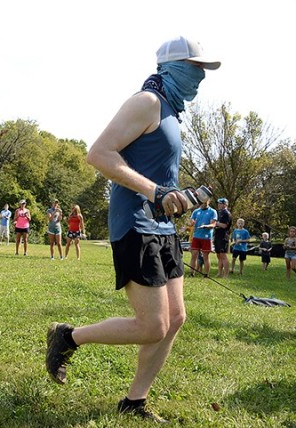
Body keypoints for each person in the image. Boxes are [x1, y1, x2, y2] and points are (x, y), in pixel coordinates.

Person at [46, 36, 220, 422]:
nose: (201, 78)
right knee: (152, 325)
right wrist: (155, 191)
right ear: (171, 67)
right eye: (196, 69)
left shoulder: (173, 110)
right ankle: (68, 336)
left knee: (175, 319)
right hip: (135, 225)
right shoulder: (147, 102)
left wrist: (175, 195)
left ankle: (134, 401)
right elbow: (98, 154)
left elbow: (153, 170)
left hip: (161, 226)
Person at [189, 199, 217, 276]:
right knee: (194, 255)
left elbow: (213, 224)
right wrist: (192, 222)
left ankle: (206, 274)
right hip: (196, 236)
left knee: (205, 256)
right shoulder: (196, 211)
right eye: (201, 202)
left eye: (205, 202)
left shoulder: (213, 211)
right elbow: (191, 222)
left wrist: (206, 226)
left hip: (206, 237)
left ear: (209, 201)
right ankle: (192, 272)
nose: (203, 204)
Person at [214, 198, 233, 278]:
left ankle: (226, 274)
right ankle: (219, 273)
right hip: (217, 235)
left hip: (223, 236)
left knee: (223, 255)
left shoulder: (226, 213)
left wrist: (215, 223)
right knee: (218, 255)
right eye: (218, 203)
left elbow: (224, 225)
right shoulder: (219, 213)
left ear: (225, 204)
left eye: (221, 203)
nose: (219, 205)